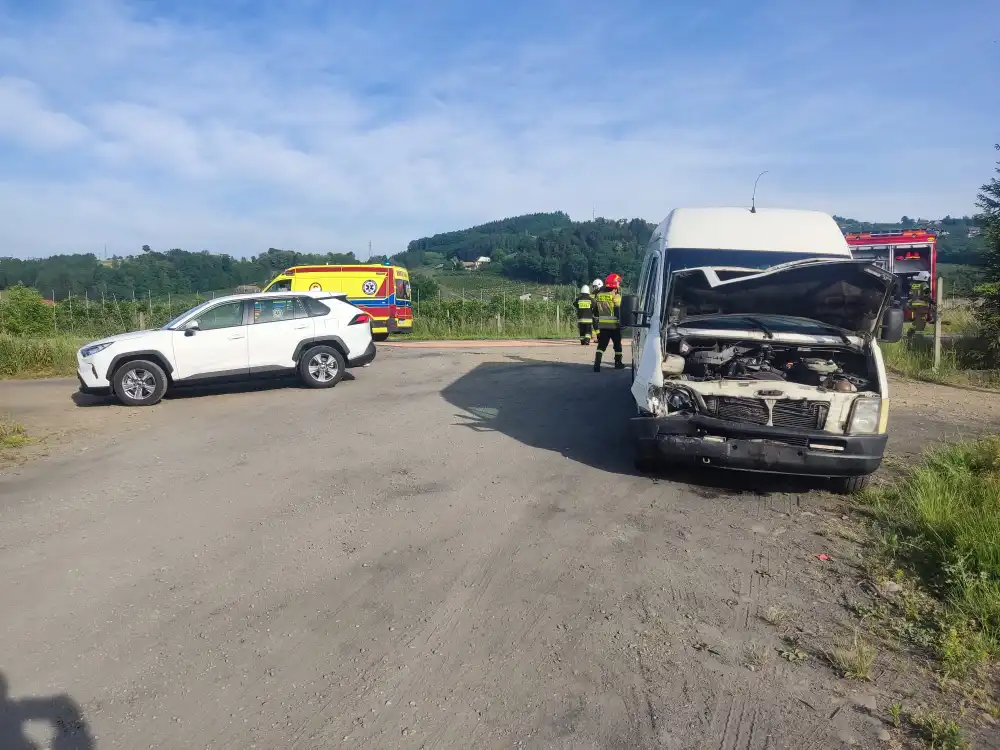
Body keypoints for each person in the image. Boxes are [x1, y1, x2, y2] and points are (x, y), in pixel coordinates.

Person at [593, 273, 624, 372]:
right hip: (614, 325)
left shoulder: (599, 295)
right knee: (617, 345)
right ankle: (618, 363)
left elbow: (596, 311)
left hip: (603, 325)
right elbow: (619, 309)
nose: (619, 284)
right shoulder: (616, 295)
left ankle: (597, 364)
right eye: (618, 283)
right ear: (614, 284)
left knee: (601, 346)